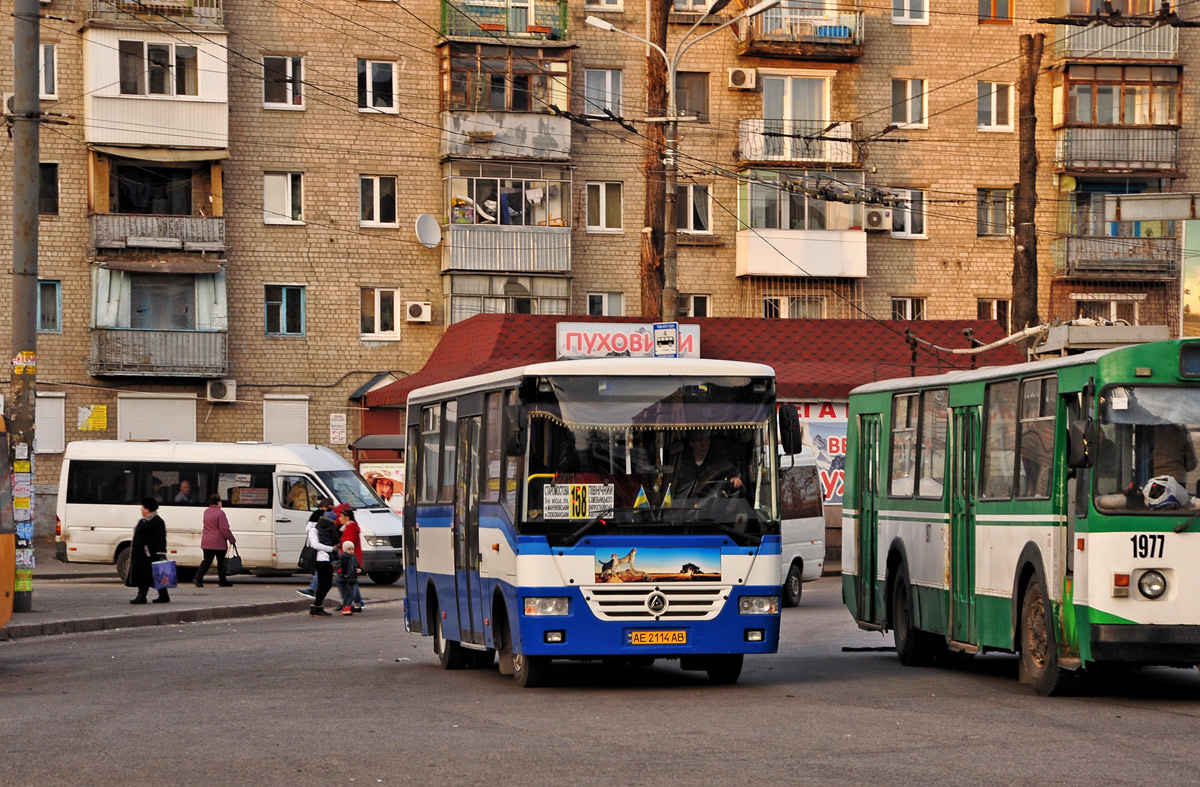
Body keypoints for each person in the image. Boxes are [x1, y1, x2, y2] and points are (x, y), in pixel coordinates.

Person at [673, 429, 743, 503]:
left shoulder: (718, 463)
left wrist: (735, 479)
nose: (703, 444)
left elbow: (731, 473)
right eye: (699, 441)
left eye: (706, 440)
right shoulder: (681, 465)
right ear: (692, 443)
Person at [126, 497, 169, 604]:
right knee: (151, 575)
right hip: (140, 554)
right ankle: (163, 595)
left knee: (148, 575)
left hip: (150, 554)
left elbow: (160, 538)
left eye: (143, 508)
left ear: (148, 509)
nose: (141, 510)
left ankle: (142, 596)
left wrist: (160, 553)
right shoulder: (143, 521)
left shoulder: (157, 521)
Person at [195, 493, 236, 588]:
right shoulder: (220, 513)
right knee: (221, 562)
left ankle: (198, 578)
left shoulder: (206, 511)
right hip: (218, 542)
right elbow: (224, 528)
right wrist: (231, 539)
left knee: (207, 561)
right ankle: (222, 581)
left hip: (206, 541)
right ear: (218, 502)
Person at [298, 498, 334, 599]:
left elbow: (308, 529)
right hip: (329, 544)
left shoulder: (316, 514)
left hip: (321, 545)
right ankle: (313, 589)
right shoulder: (333, 515)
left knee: (322, 568)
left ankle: (313, 589)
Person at [306, 506, 339, 617]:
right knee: (324, 584)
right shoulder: (313, 530)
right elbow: (315, 545)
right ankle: (317, 606)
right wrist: (330, 549)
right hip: (321, 559)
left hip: (327, 559)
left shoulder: (325, 529)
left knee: (326, 584)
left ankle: (317, 606)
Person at [335, 503, 365, 612]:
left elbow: (349, 543)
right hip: (350, 557)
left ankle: (350, 603)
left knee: (347, 581)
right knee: (352, 581)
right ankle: (357, 602)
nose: (339, 519)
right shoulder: (348, 528)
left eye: (341, 517)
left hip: (350, 558)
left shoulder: (350, 528)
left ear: (347, 518)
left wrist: (344, 556)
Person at [336, 540, 361, 616]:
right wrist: (343, 573)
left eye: (352, 549)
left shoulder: (354, 558)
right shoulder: (342, 558)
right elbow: (339, 567)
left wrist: (360, 570)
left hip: (352, 578)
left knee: (351, 594)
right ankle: (346, 607)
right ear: (344, 550)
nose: (351, 551)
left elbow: (358, 566)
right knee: (349, 594)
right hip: (345, 578)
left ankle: (346, 607)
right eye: (349, 549)